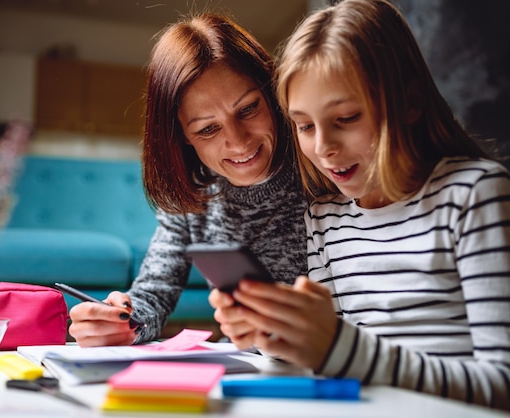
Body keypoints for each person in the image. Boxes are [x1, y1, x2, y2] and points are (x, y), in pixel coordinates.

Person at [209, 0, 510, 411]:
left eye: (346, 118)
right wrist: (272, 334)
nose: (324, 147)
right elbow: (328, 361)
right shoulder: (326, 218)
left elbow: (501, 382)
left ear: (410, 102)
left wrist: (340, 346)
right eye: (304, 125)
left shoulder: (473, 196)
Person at [68, 12, 308, 347]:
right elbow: (153, 296)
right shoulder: (194, 194)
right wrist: (119, 321)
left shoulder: (323, 164)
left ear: (273, 92)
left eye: (248, 109)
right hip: (250, 370)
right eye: (208, 129)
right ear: (182, 136)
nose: (238, 142)